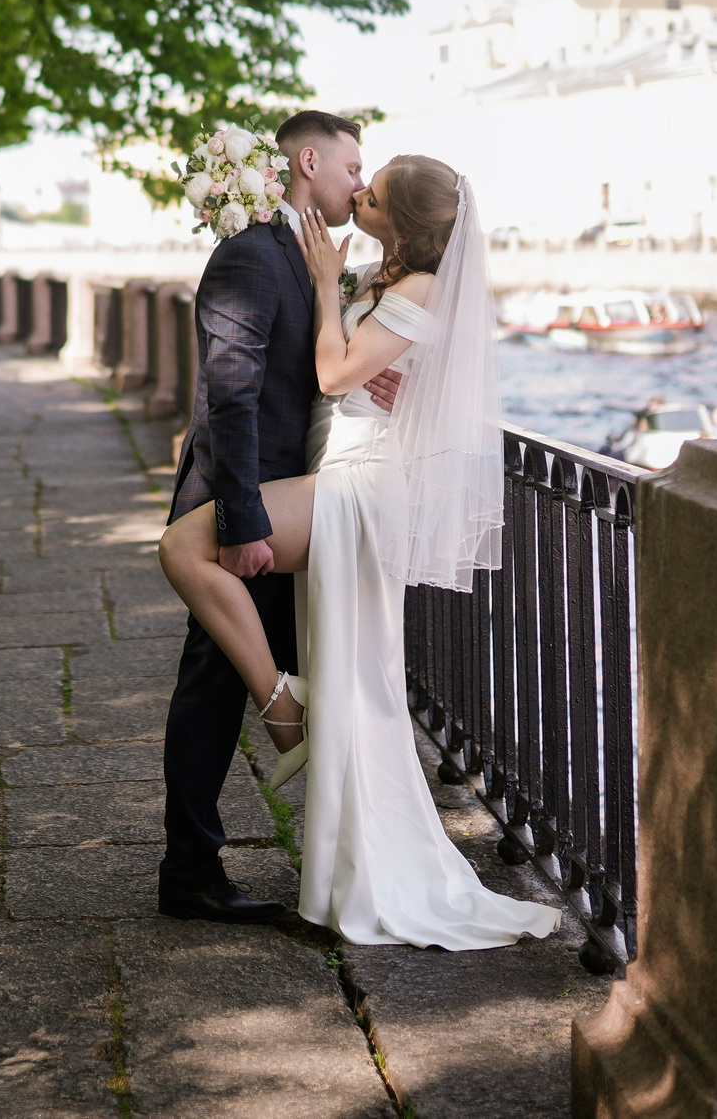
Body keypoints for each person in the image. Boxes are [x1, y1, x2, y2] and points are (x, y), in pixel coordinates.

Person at [158, 153, 562, 949]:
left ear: (402, 221)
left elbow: (336, 368)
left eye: (371, 193)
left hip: (362, 485)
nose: (358, 195)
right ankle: (315, 754)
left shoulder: (420, 287)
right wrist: (344, 309)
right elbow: (351, 370)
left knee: (185, 546)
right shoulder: (390, 276)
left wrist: (322, 287)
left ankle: (283, 709)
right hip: (341, 472)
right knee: (358, 671)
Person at [156, 110, 393, 924]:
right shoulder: (254, 253)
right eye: (353, 166)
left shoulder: (307, 252)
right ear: (308, 160)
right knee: (214, 684)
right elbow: (232, 392)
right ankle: (191, 869)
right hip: (240, 503)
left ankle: (312, 859)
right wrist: (243, 522)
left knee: (239, 677)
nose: (360, 183)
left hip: (278, 502)